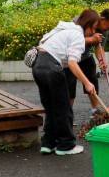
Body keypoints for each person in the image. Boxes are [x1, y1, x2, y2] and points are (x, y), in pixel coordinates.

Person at [32, 8, 101, 156]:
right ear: (88, 25)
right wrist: (88, 83)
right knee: (63, 107)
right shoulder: (77, 36)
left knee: (50, 107)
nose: (93, 32)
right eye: (93, 28)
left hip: (37, 66)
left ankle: (48, 143)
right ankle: (66, 145)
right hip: (51, 68)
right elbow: (72, 63)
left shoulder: (63, 29)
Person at [66, 8, 109, 122]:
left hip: (85, 56)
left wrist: (102, 61)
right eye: (107, 26)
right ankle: (67, 116)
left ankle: (95, 111)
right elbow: (71, 40)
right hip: (69, 57)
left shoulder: (105, 29)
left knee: (92, 81)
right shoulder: (80, 21)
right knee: (70, 86)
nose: (107, 29)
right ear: (102, 19)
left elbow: (99, 47)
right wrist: (92, 39)